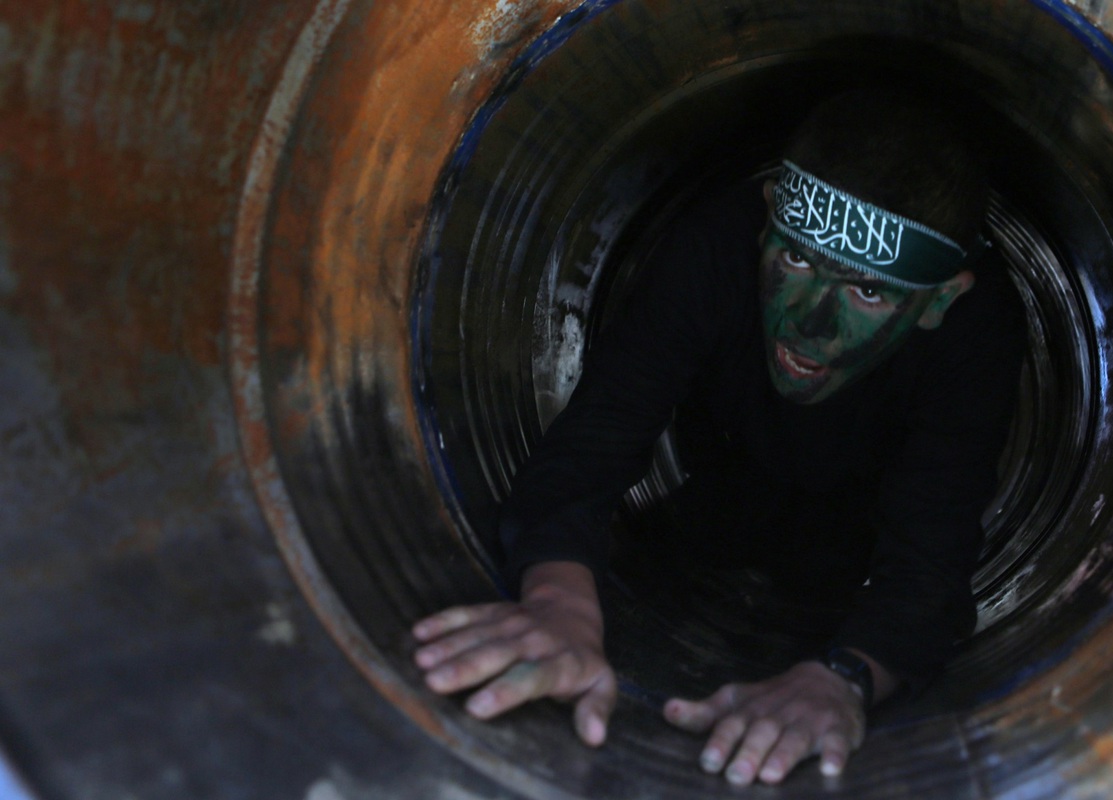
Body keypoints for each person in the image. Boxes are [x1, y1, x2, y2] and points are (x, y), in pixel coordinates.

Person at [411, 90, 1026, 785]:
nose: (808, 324)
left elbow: (931, 551)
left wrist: (844, 679)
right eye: (794, 262)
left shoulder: (977, 331)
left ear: (940, 299)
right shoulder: (717, 243)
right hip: (720, 488)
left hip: (859, 536)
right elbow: (599, 432)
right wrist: (558, 606)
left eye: (868, 294)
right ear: (767, 220)